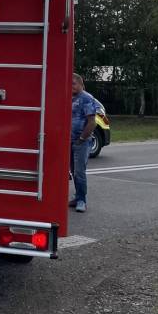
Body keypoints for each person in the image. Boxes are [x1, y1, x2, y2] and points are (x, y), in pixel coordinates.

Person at [70, 73, 100, 213]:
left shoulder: (86, 98)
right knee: (73, 171)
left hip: (81, 141)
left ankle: (82, 200)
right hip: (69, 141)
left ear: (81, 84)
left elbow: (92, 122)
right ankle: (77, 197)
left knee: (79, 172)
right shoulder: (69, 97)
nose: (71, 86)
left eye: (74, 84)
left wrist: (81, 139)